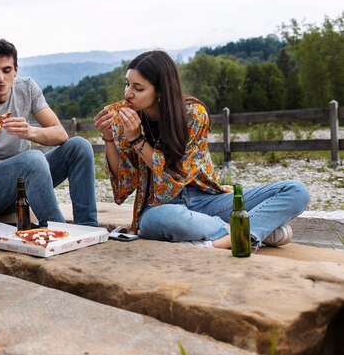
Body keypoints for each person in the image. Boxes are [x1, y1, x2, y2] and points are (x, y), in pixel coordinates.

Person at [93, 50, 309, 248]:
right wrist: (109, 139)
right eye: (127, 84)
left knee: (296, 191)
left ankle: (220, 242)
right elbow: (125, 182)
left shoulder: (193, 114)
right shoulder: (128, 120)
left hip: (205, 200)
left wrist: (138, 140)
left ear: (161, 91)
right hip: (162, 206)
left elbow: (175, 177)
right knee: (156, 220)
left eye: (138, 88)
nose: (128, 94)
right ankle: (250, 231)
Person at [0, 37, 98, 226]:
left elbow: (61, 135)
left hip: (22, 187)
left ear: (16, 70)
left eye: (6, 70)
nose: (0, 78)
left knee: (79, 146)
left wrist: (30, 132)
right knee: (33, 159)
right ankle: (58, 231)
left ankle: (88, 227)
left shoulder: (27, 88)